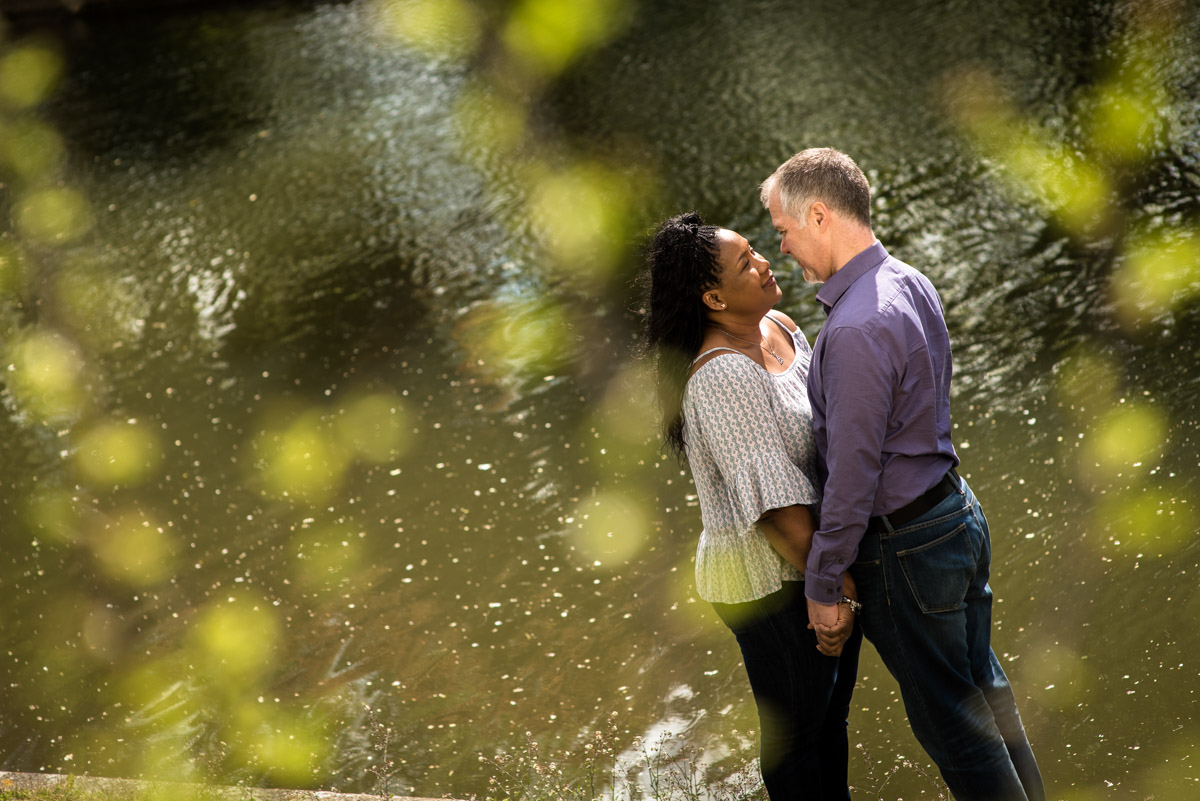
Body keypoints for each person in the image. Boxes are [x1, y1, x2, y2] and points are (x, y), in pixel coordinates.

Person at [759, 148, 1045, 801]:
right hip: (954, 513)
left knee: (957, 733)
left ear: (820, 214)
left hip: (908, 545)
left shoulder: (855, 327)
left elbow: (853, 475)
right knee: (986, 695)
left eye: (783, 229)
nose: (782, 247)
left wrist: (823, 582)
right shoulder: (905, 279)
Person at [640, 211, 862, 801]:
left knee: (829, 720)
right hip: (770, 583)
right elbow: (773, 511)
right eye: (746, 263)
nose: (765, 260)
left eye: (757, 251)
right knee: (796, 738)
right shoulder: (722, 379)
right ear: (713, 297)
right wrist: (832, 588)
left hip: (818, 561)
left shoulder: (782, 328)